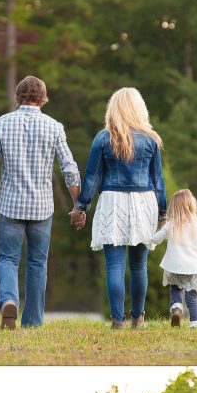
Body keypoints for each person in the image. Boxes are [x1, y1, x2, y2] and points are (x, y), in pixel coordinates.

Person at [0, 75, 81, 329]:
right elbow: (70, 169)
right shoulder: (55, 127)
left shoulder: (1, 123)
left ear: (18, 97)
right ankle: (32, 322)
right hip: (41, 207)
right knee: (37, 263)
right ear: (43, 99)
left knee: (8, 259)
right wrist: (78, 205)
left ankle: (9, 300)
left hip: (10, 204)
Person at [70, 88, 167, 330]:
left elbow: (92, 176)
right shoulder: (151, 139)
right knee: (139, 265)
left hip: (112, 201)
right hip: (143, 201)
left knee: (114, 264)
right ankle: (138, 318)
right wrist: (163, 212)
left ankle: (117, 320)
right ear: (139, 108)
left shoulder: (103, 138)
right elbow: (158, 180)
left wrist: (81, 206)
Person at [150, 188, 197, 329]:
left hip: (175, 266)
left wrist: (151, 235)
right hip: (193, 267)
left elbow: (156, 239)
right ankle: (195, 323)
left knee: (175, 289)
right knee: (192, 297)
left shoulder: (171, 224)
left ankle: (176, 308)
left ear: (173, 207)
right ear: (191, 205)